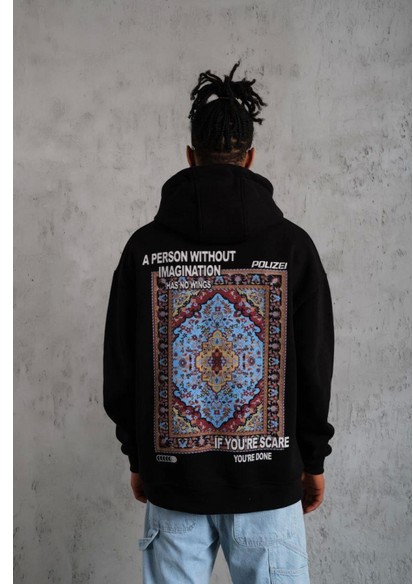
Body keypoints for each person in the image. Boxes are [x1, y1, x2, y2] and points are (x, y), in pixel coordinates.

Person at [103, 61, 335, 584]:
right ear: (250, 158)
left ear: (190, 156)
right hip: (270, 484)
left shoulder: (145, 249)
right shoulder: (292, 248)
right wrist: (313, 458)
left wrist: (138, 455)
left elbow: (119, 365)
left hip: (174, 483)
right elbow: (315, 365)